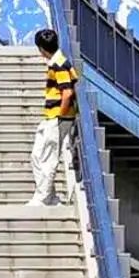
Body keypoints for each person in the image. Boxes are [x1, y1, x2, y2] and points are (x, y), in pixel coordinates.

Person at [26, 28, 79, 207]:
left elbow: (67, 92)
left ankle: (43, 198)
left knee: (46, 158)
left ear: (42, 48)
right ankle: (50, 196)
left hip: (57, 118)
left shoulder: (59, 64)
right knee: (37, 155)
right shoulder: (59, 62)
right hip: (52, 117)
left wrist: (59, 116)